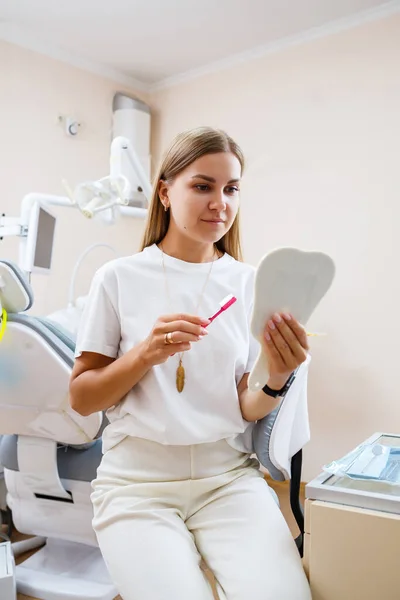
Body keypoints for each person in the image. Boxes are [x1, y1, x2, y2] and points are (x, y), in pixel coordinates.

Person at [69, 126, 312, 600]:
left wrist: (277, 379)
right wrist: (145, 353)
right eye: (203, 186)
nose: (220, 202)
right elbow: (81, 398)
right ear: (165, 192)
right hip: (137, 485)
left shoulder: (248, 282)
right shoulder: (118, 278)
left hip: (228, 479)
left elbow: (245, 406)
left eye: (231, 188)